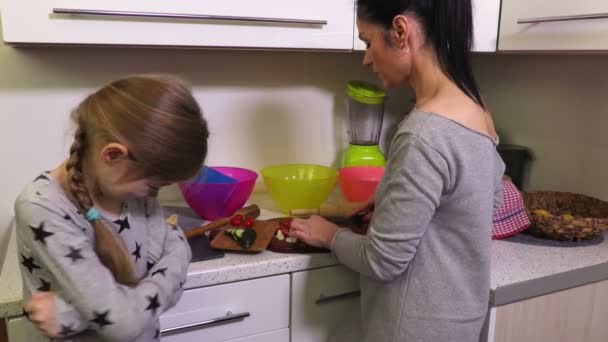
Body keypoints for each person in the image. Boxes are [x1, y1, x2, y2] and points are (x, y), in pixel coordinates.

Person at [290, 1, 505, 341]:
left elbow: (382, 261)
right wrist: (395, 202)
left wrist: (328, 235)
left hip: (412, 328)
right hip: (461, 322)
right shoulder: (477, 112)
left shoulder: (423, 133)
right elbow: (485, 205)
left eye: (367, 41)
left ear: (401, 32)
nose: (366, 58)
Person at [15, 74, 209, 341]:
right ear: (114, 155)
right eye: (153, 186)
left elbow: (177, 246)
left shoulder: (134, 194)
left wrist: (73, 316)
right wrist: (154, 285)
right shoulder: (43, 206)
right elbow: (123, 324)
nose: (154, 196)